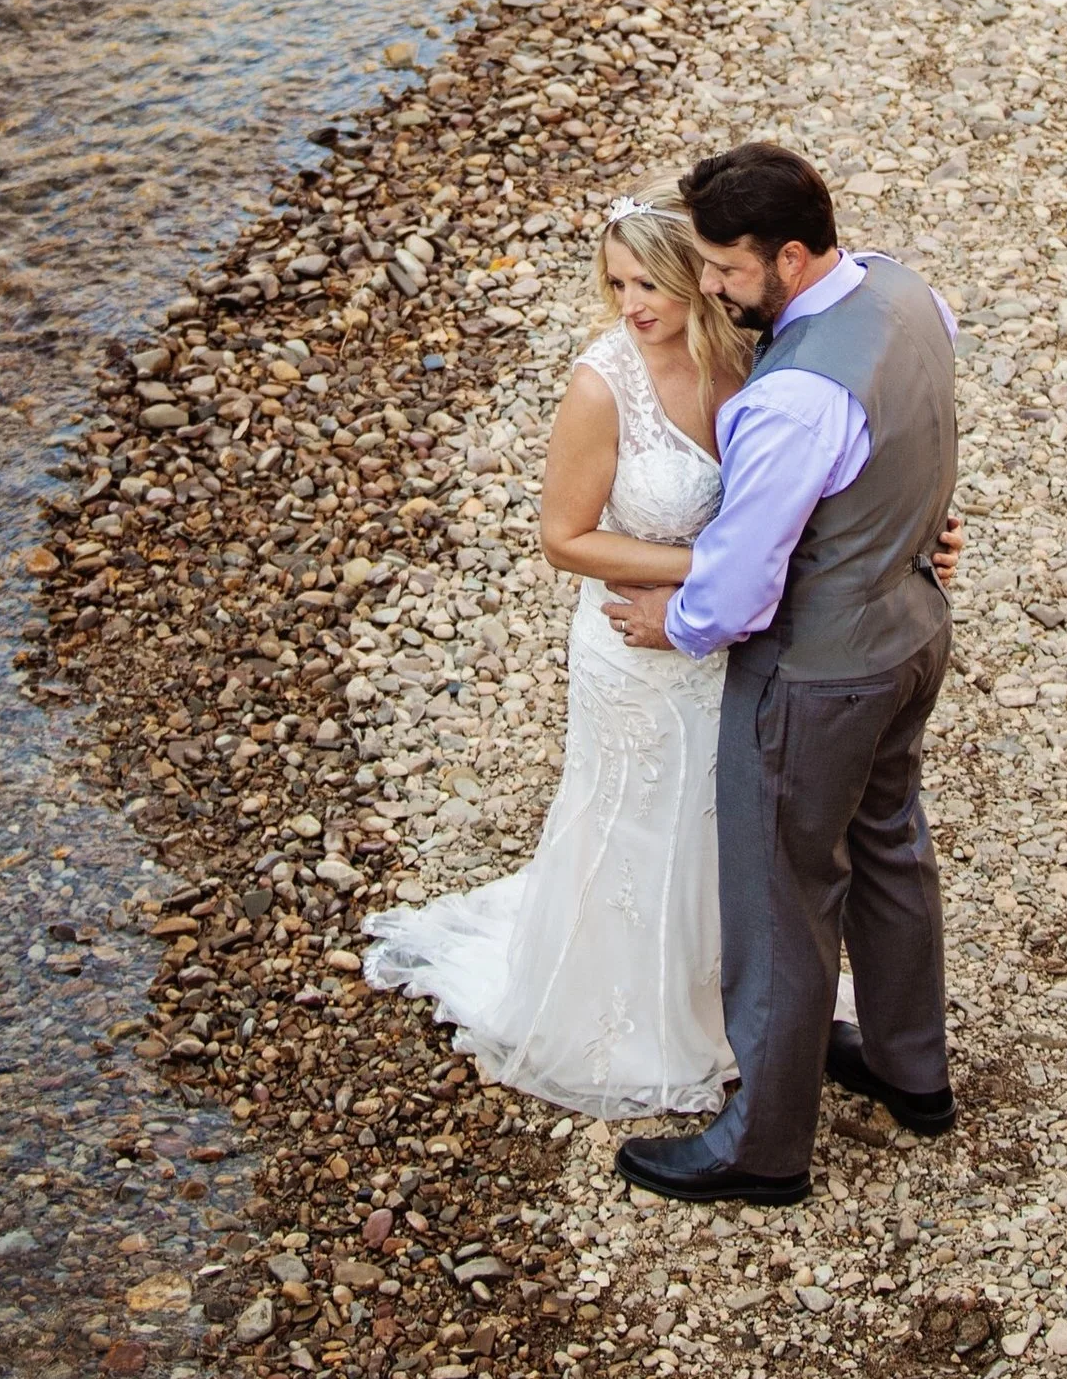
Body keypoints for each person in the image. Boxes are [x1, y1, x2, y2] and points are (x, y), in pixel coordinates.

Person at [603, 141, 959, 1207]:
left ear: (792, 257)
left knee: (779, 892)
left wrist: (681, 621)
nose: (706, 285)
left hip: (819, 673)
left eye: (724, 268)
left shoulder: (791, 398)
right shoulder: (907, 295)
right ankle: (911, 1068)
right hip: (911, 636)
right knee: (889, 844)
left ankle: (761, 1145)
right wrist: (925, 536)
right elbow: (922, 435)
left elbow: (743, 584)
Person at [362, 198, 753, 1117]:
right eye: (616, 284)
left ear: (698, 277)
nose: (631, 303)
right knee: (638, 820)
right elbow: (564, 539)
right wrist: (713, 569)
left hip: (722, 643)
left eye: (648, 282)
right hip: (630, 647)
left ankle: (729, 994)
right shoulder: (599, 385)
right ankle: (629, 1017)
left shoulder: (740, 354)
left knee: (717, 816)